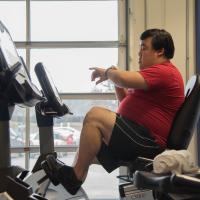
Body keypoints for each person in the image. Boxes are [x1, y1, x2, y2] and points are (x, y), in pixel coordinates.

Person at [41, 29, 185, 195]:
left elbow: (123, 78)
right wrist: (116, 82)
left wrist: (108, 73)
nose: (139, 53)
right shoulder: (154, 78)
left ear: (160, 51)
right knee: (86, 150)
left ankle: (75, 177)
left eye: (144, 48)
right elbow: (126, 102)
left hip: (148, 142)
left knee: (95, 115)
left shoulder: (165, 72)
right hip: (138, 136)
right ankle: (71, 181)